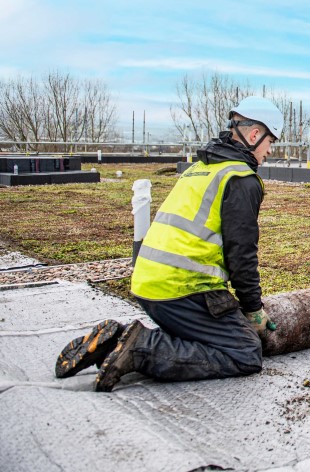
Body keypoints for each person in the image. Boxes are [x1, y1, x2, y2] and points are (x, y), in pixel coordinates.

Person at [55, 96, 283, 391]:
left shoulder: (200, 169)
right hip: (183, 289)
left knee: (207, 338)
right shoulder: (241, 179)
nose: (269, 152)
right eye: (270, 142)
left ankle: (115, 339)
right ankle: (141, 347)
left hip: (148, 285)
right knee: (245, 353)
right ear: (255, 135)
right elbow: (242, 255)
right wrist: (253, 310)